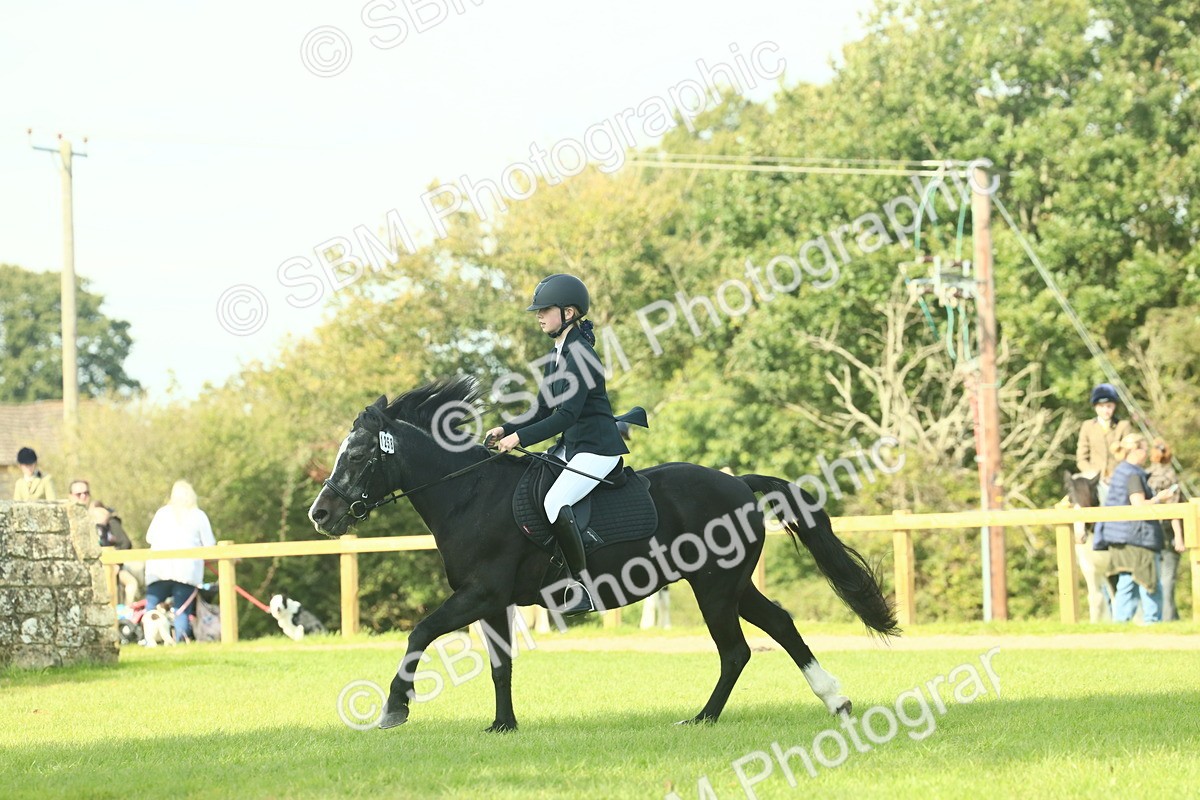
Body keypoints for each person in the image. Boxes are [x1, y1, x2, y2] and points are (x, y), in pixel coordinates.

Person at [485, 274, 628, 615]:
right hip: (574, 446)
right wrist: (506, 427)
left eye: (545, 310)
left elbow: (566, 415)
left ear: (568, 313)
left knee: (555, 501)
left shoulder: (581, 356)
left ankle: (582, 587)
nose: (538, 316)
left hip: (598, 450)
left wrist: (519, 438)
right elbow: (541, 409)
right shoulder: (558, 354)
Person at [1093, 434, 1173, 623]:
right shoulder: (1133, 474)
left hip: (1120, 534)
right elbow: (1138, 504)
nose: (1147, 453)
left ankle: (1121, 623)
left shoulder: (1121, 471)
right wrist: (1159, 498)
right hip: (1136, 535)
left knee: (1127, 580)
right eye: (1144, 448)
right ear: (1136, 450)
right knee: (1148, 581)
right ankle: (1152, 622)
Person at [144, 480, 216, 642]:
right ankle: (179, 641)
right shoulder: (198, 515)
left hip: (159, 569)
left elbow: (149, 538)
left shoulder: (162, 513)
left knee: (151, 609)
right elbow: (210, 545)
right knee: (181, 610)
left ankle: (148, 641)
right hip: (186, 571)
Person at [1145, 438, 1186, 621]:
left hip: (1148, 531)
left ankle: (1168, 616)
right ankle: (1168, 617)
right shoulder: (1170, 476)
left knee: (1156, 575)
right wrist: (1179, 536)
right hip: (1168, 531)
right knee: (1168, 577)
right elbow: (1174, 509)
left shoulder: (1145, 474)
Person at [1076, 383, 1132, 505]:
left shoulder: (1123, 426)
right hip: (1093, 478)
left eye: (1109, 406)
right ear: (1095, 407)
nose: (1105, 410)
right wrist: (1094, 474)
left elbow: (1128, 456)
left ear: (1114, 406)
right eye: (1101, 406)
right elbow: (1081, 458)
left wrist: (1115, 475)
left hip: (1118, 477)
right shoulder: (1087, 426)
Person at [91, 500, 139, 605]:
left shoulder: (111, 524)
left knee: (131, 584)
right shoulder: (95, 528)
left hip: (113, 566)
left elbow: (125, 543)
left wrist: (117, 563)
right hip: (101, 567)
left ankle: (126, 609)